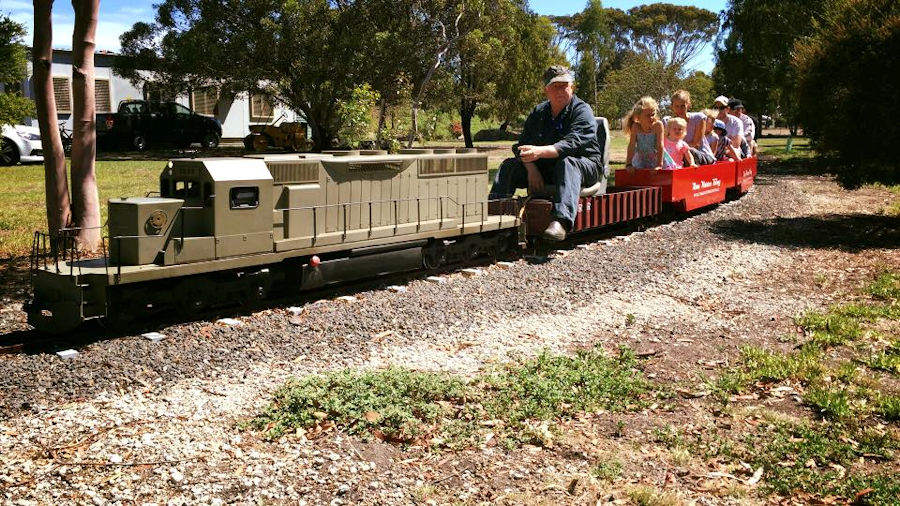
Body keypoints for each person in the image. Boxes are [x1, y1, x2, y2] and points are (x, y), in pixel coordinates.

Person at [488, 65, 604, 242]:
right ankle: (493, 212)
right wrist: (531, 167)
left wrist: (539, 152)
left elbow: (571, 143)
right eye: (555, 86)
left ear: (572, 87)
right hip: (548, 167)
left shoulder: (582, 110)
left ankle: (561, 221)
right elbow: (521, 145)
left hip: (584, 165)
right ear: (546, 90)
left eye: (564, 86)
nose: (561, 91)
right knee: (509, 166)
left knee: (568, 162)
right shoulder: (539, 112)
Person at [667, 89, 715, 165]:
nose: (680, 109)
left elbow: (696, 144)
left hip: (701, 155)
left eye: (682, 106)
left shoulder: (698, 118)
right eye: (677, 106)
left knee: (689, 151)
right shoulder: (668, 121)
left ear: (688, 105)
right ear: (672, 106)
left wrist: (677, 149)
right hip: (677, 157)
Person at [624, 96, 664, 171]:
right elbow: (631, 146)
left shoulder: (658, 126)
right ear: (639, 117)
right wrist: (628, 164)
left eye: (653, 114)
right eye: (648, 116)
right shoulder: (636, 127)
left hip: (656, 159)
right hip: (641, 159)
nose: (651, 118)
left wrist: (659, 164)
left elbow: (660, 146)